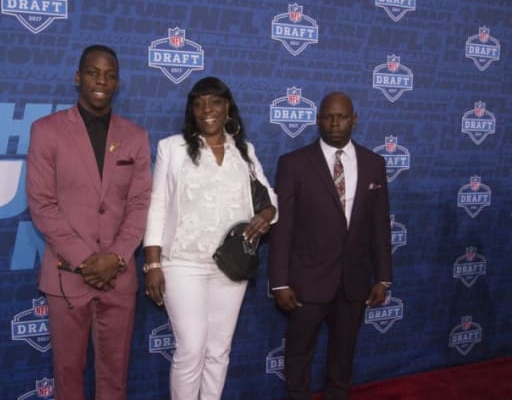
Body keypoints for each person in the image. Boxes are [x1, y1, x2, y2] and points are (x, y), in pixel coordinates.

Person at [25, 44, 152, 400]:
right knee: (67, 375)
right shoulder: (46, 131)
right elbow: (42, 204)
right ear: (78, 78)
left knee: (115, 375)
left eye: (110, 75)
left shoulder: (135, 136)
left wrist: (116, 257)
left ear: (118, 82)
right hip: (67, 276)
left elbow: (140, 203)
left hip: (118, 274)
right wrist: (86, 260)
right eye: (94, 73)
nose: (102, 81)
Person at [143, 76, 277, 400]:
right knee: (191, 348)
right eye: (199, 103)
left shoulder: (244, 151)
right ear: (192, 109)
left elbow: (270, 199)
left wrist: (266, 215)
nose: (207, 110)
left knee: (219, 350)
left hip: (230, 264)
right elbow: (157, 205)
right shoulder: (171, 149)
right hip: (182, 263)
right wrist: (151, 264)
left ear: (227, 107)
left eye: (214, 102)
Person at [268, 91, 393, 400]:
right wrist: (279, 282)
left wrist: (383, 277)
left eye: (342, 116)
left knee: (343, 357)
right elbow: (282, 228)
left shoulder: (374, 164)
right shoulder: (293, 164)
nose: (335, 122)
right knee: (299, 355)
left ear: (355, 119)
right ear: (317, 119)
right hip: (306, 281)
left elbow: (380, 224)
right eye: (328, 116)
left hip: (354, 281)